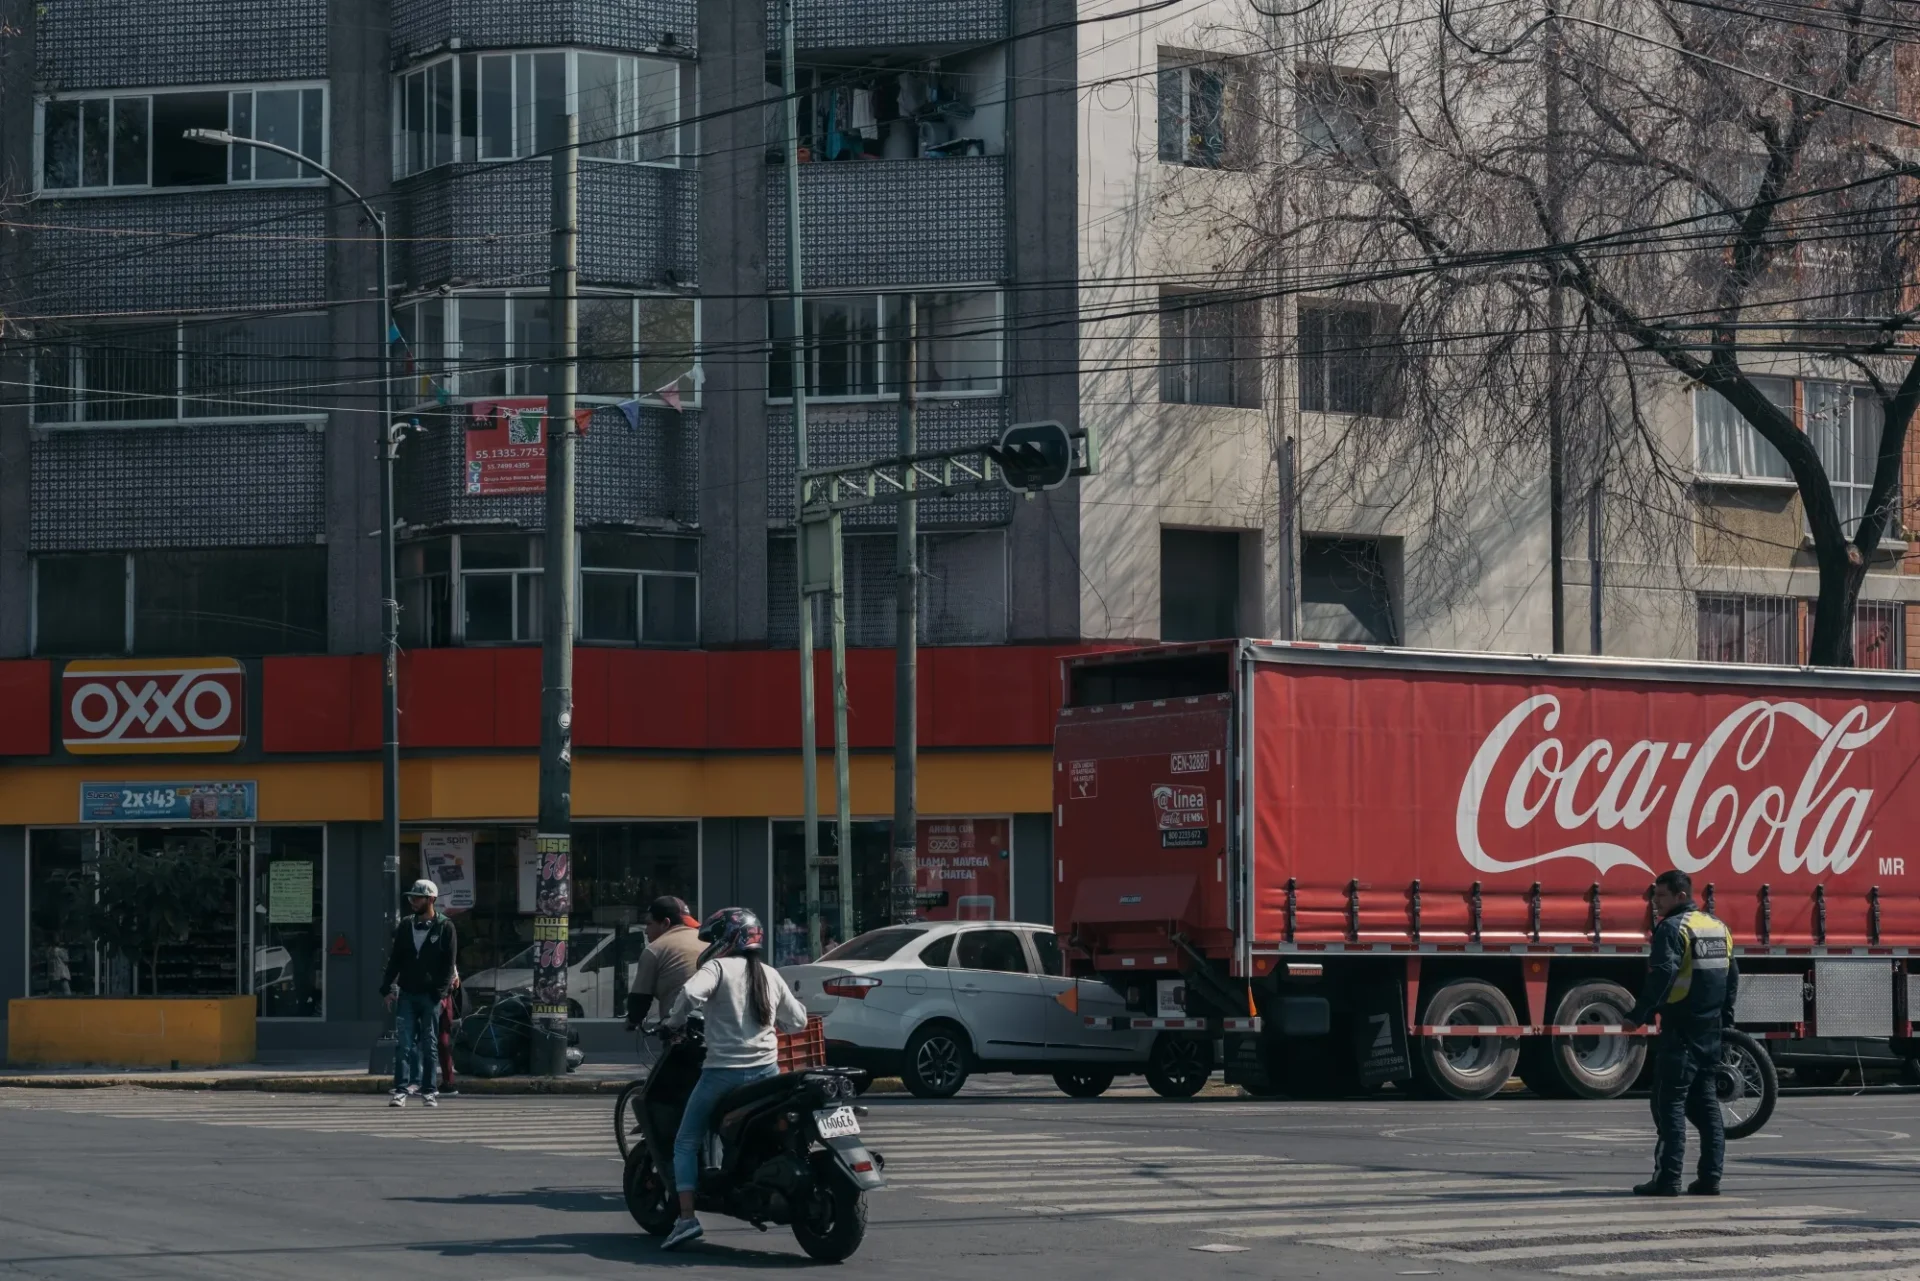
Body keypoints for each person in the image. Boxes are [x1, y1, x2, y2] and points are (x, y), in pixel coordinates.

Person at [659, 907, 809, 1251]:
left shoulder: (717, 968)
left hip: (722, 1076)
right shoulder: (769, 974)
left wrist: (673, 1022)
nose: (709, 945)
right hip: (768, 1075)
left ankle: (685, 1219)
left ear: (727, 939)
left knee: (685, 1142)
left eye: (713, 938)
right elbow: (798, 1020)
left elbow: (690, 994)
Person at [1626, 868, 1738, 1196]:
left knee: (1669, 1104)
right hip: (1709, 1032)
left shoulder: (1672, 928)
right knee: (1706, 1107)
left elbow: (1662, 975)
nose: (1654, 902)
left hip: (1680, 1030)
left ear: (1681, 897)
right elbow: (1732, 979)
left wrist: (1638, 1014)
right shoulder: (1719, 928)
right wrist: (1726, 1022)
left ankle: (1667, 1178)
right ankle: (1710, 1178)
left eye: (1660, 896)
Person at [379, 879, 458, 1109]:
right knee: (404, 1044)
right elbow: (395, 959)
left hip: (430, 997)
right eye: (411, 897)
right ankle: (401, 1090)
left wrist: (439, 993)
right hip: (407, 994)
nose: (413, 901)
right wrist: (386, 988)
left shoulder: (445, 926)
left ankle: (429, 1091)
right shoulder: (406, 925)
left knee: (429, 1043)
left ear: (431, 899)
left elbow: (448, 964)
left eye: (418, 897)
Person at [625, 896, 705, 1032]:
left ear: (665, 924)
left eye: (649, 924)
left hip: (682, 1031)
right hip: (719, 1028)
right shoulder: (709, 942)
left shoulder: (654, 949)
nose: (645, 931)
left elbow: (640, 1000)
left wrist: (632, 1021)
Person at [437, 965, 461, 1096]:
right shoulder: (448, 953)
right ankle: (448, 1081)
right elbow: (456, 982)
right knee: (443, 1040)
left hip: (433, 997)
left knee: (423, 1040)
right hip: (445, 997)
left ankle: (419, 1082)